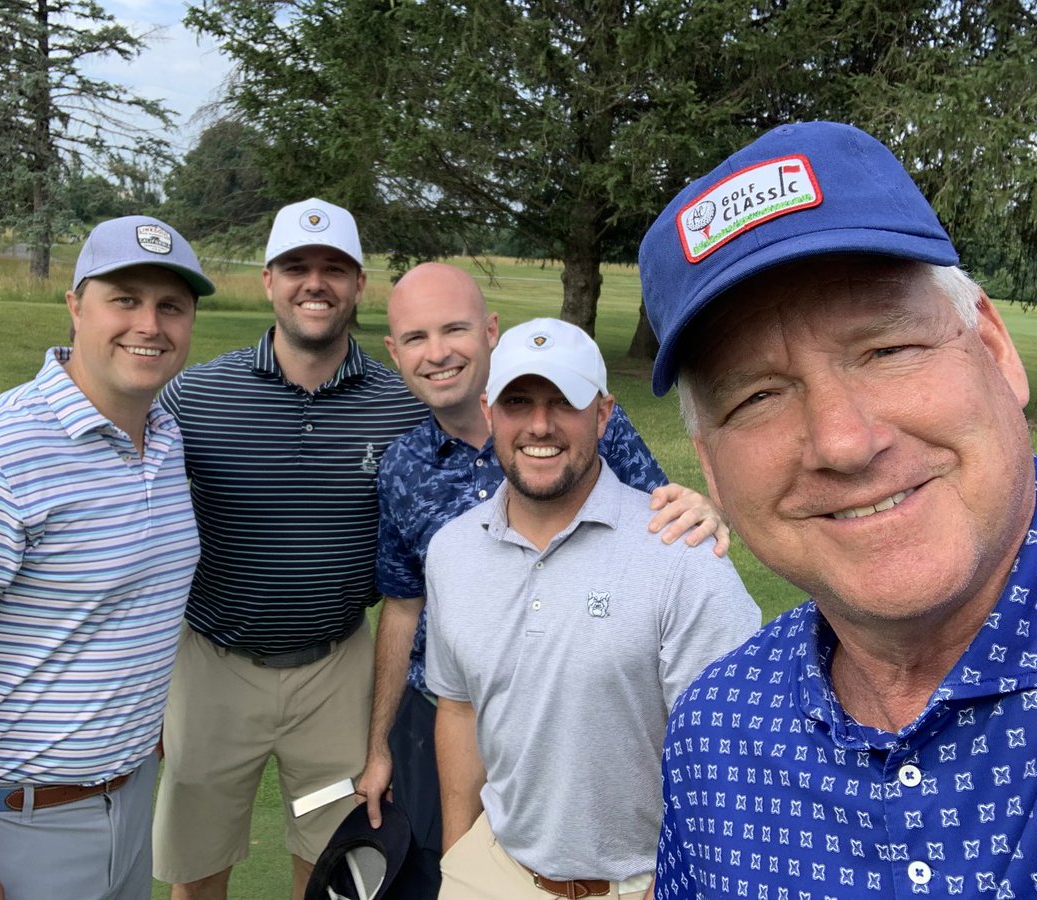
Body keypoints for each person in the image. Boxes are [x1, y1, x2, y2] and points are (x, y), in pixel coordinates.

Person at [638, 121, 1037, 896]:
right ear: (712, 469)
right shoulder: (716, 734)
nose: (844, 441)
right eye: (756, 396)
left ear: (993, 350)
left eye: (886, 349)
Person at [0, 215, 213, 900]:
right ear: (75, 306)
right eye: (125, 299)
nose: (150, 324)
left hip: (129, 800)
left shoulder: (165, 439)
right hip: (9, 826)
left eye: (171, 306)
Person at [358, 264, 732, 899]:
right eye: (519, 403)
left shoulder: (676, 549)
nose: (539, 425)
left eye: (564, 401)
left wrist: (679, 879)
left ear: (604, 415)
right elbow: (435, 667)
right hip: (493, 845)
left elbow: (726, 741)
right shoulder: (434, 518)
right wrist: (460, 858)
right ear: (491, 408)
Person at [152, 198, 430, 900]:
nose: (316, 283)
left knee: (332, 857)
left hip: (338, 673)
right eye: (297, 268)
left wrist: (654, 488)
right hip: (213, 667)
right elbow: (129, 510)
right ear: (269, 281)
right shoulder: (198, 394)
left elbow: (506, 434)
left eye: (334, 269)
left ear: (358, 284)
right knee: (195, 868)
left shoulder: (399, 404)